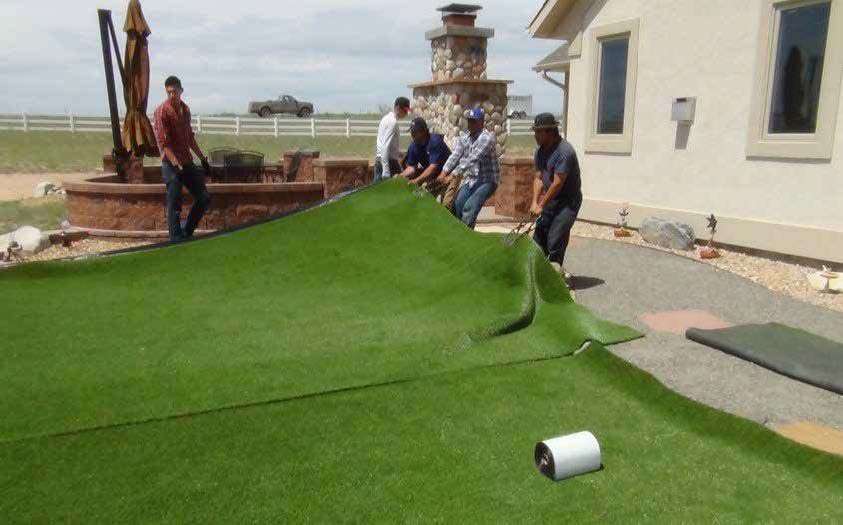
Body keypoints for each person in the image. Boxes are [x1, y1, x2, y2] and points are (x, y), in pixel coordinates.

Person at [153, 75, 211, 242]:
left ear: (181, 91)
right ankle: (175, 238)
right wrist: (176, 164)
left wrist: (202, 158)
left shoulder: (185, 110)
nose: (172, 95)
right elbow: (164, 144)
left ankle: (187, 231)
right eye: (169, 92)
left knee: (204, 197)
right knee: (175, 203)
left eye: (175, 91)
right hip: (170, 164)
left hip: (186, 161)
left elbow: (190, 138)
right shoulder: (161, 112)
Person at [530, 113, 582, 280]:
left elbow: (557, 183)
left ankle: (555, 279)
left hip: (568, 202)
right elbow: (539, 178)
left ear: (550, 132)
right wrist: (534, 202)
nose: (535, 135)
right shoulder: (540, 152)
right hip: (551, 200)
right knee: (538, 239)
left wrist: (541, 205)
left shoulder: (565, 152)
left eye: (538, 132)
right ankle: (538, 276)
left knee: (555, 239)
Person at [437, 108, 499, 229]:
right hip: (471, 180)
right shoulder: (464, 138)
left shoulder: (487, 138)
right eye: (469, 121)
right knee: (457, 205)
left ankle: (466, 235)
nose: (470, 124)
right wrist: (443, 172)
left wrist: (452, 175)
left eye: (474, 121)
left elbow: (472, 159)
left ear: (481, 122)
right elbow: (455, 155)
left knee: (469, 207)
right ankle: (459, 233)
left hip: (487, 180)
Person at [399, 117, 454, 201]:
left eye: (415, 132)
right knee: (420, 197)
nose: (412, 134)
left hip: (447, 174)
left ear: (423, 131)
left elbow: (433, 167)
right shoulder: (413, 146)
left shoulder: (435, 141)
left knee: (445, 203)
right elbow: (411, 167)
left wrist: (416, 180)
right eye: (411, 131)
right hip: (433, 176)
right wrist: (401, 176)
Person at [374, 97, 411, 183]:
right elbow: (385, 146)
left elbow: (386, 144)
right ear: (398, 108)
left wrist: (398, 153)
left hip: (383, 160)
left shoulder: (386, 118)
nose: (406, 113)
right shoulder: (392, 122)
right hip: (388, 162)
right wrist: (386, 171)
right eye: (405, 111)